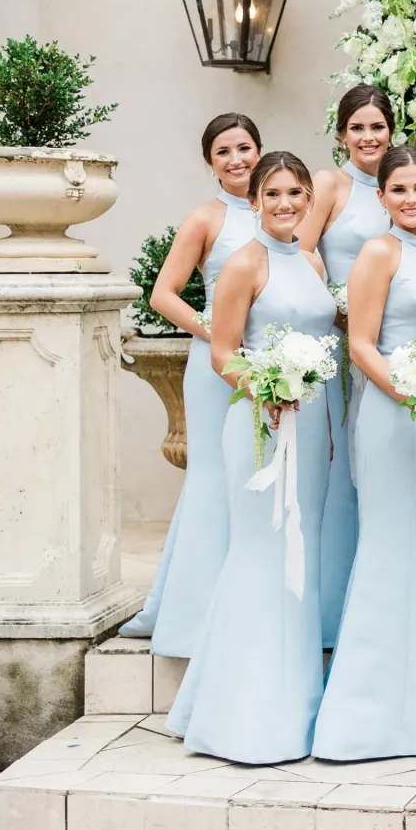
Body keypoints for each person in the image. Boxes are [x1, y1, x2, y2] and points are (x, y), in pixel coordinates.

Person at [167, 153, 335, 764]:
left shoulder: (312, 261)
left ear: (309, 197)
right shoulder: (244, 263)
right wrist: (267, 388)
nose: (285, 203)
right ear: (256, 199)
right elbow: (222, 353)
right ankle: (242, 715)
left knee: (300, 555)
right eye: (274, 193)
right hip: (261, 423)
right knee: (262, 554)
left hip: (311, 427)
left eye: (296, 192)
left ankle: (294, 707)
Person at [313, 145, 416, 760]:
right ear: (381, 198)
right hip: (392, 410)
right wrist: (410, 392)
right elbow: (360, 344)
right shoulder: (379, 253)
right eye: (398, 190)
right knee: (391, 543)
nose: (411, 199)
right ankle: (369, 712)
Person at [119, 114, 261, 655]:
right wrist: (214, 329)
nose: (236, 159)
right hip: (216, 365)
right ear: (210, 163)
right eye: (224, 152)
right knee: (211, 479)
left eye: (244, 147)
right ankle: (192, 613)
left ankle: (244, 600)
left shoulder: (283, 207)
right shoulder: (206, 219)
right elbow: (164, 294)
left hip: (269, 357)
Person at [300, 85, 396, 651]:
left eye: (377, 126)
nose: (368, 137)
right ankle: (333, 608)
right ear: (342, 134)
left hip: (390, 341)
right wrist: (342, 310)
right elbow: (303, 250)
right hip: (340, 340)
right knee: (342, 472)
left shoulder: (401, 183)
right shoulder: (331, 184)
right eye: (357, 127)